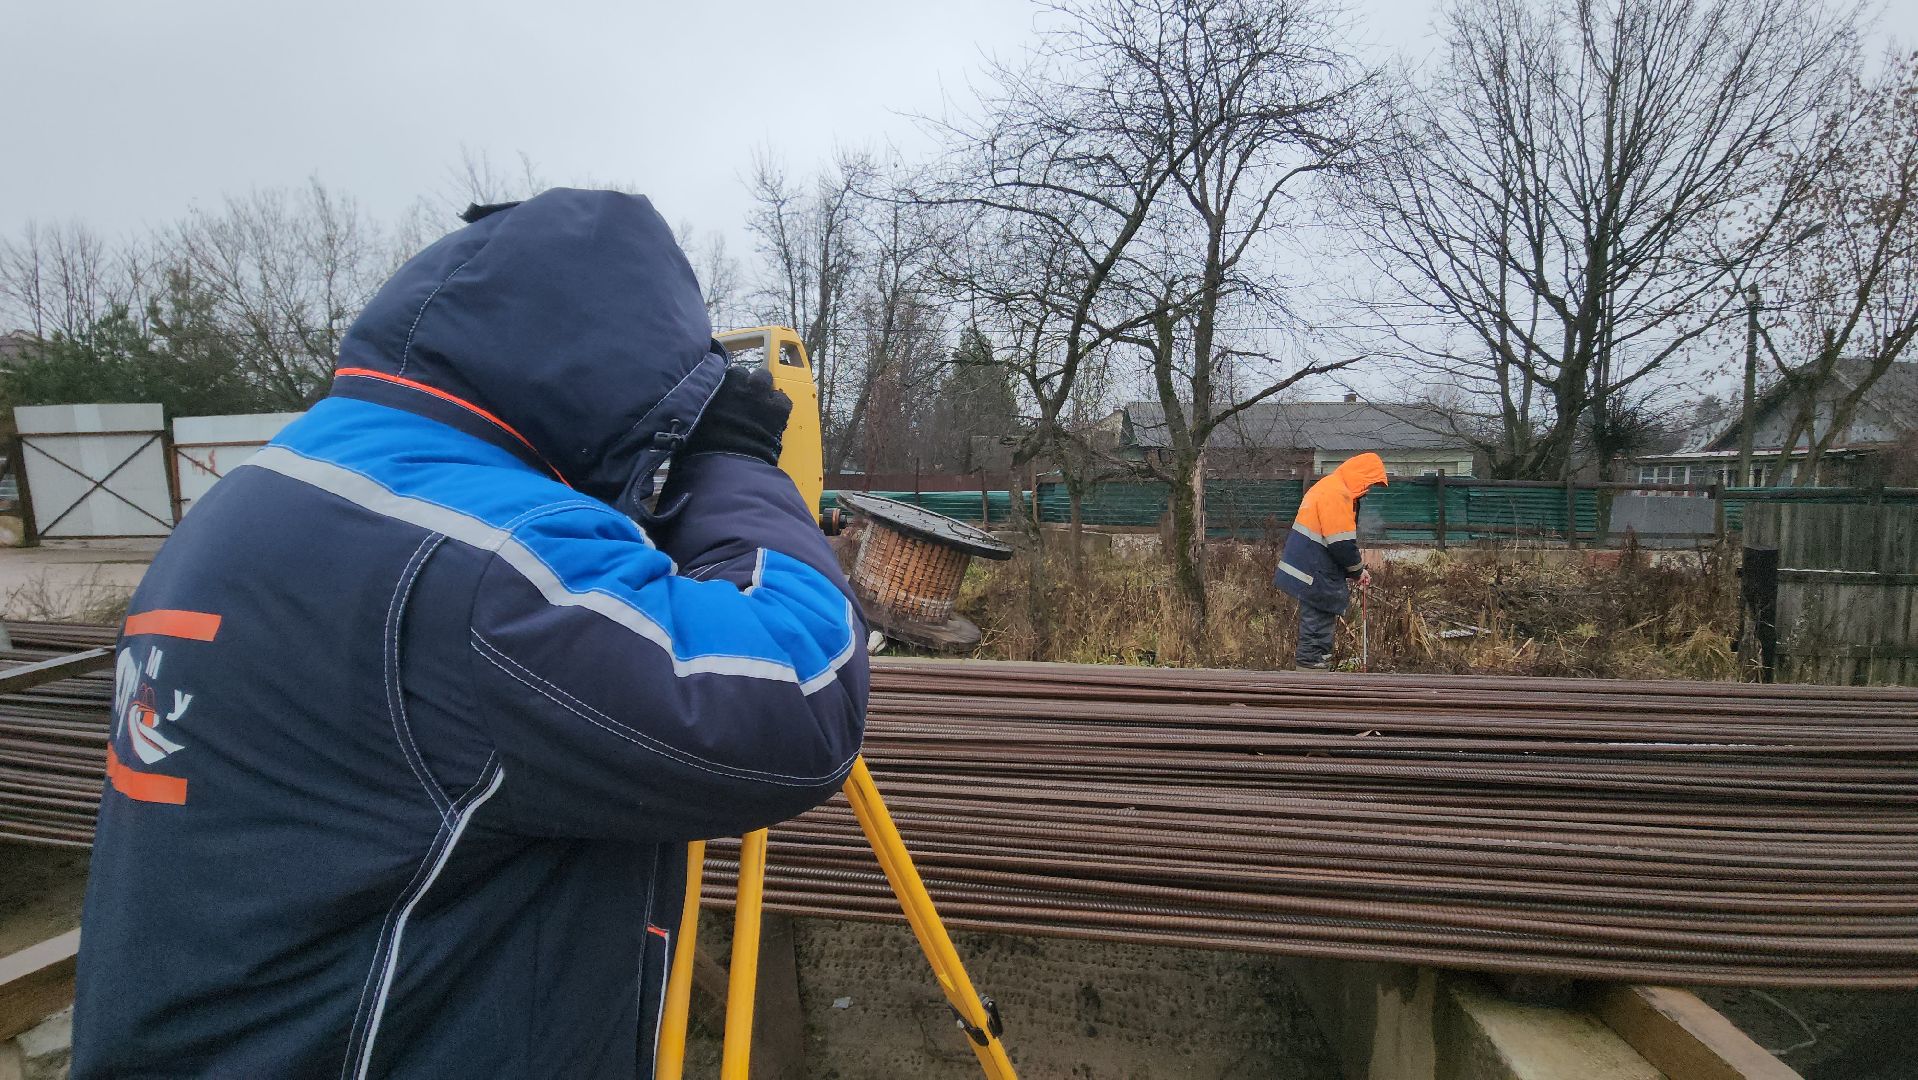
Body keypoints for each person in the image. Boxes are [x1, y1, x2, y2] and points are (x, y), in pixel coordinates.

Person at [71, 190, 869, 1079]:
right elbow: (802, 689)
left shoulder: (255, 498)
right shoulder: (486, 562)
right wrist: (734, 468)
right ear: (621, 390)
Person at [1274, 453, 1388, 670]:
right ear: (1361, 476)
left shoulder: (1329, 487)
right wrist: (1357, 571)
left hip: (1309, 567)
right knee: (1316, 635)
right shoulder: (1338, 494)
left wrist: (1355, 571)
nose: (1370, 490)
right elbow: (1341, 543)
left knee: (1315, 630)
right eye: (1370, 483)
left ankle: (1313, 679)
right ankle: (1311, 686)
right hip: (1315, 572)